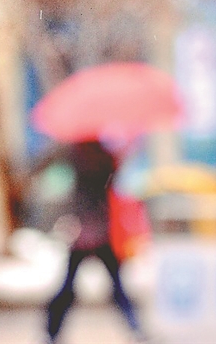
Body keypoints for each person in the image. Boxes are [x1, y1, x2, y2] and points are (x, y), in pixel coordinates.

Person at [45, 140, 145, 343]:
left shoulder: (76, 155)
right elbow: (112, 181)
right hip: (99, 232)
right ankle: (134, 327)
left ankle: (51, 332)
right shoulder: (101, 157)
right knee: (116, 288)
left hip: (85, 233)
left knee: (70, 288)